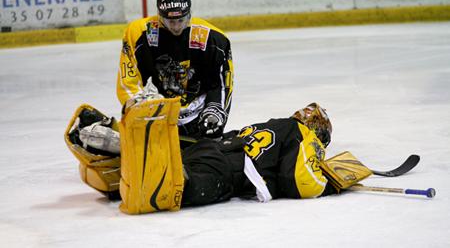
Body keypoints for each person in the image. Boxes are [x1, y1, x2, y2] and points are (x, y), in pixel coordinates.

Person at [64, 100, 339, 213]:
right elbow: (300, 181)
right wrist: (331, 185)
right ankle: (127, 147)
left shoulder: (270, 125)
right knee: (172, 189)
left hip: (211, 149)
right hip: (223, 170)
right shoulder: (302, 134)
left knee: (171, 163)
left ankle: (116, 143)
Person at [117, 0, 233, 139]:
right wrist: (141, 107)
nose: (177, 27)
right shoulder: (139, 33)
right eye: (171, 21)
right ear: (159, 15)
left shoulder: (212, 38)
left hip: (198, 116)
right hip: (158, 114)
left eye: (181, 20)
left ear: (189, 13)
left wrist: (215, 108)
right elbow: (128, 82)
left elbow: (220, 82)